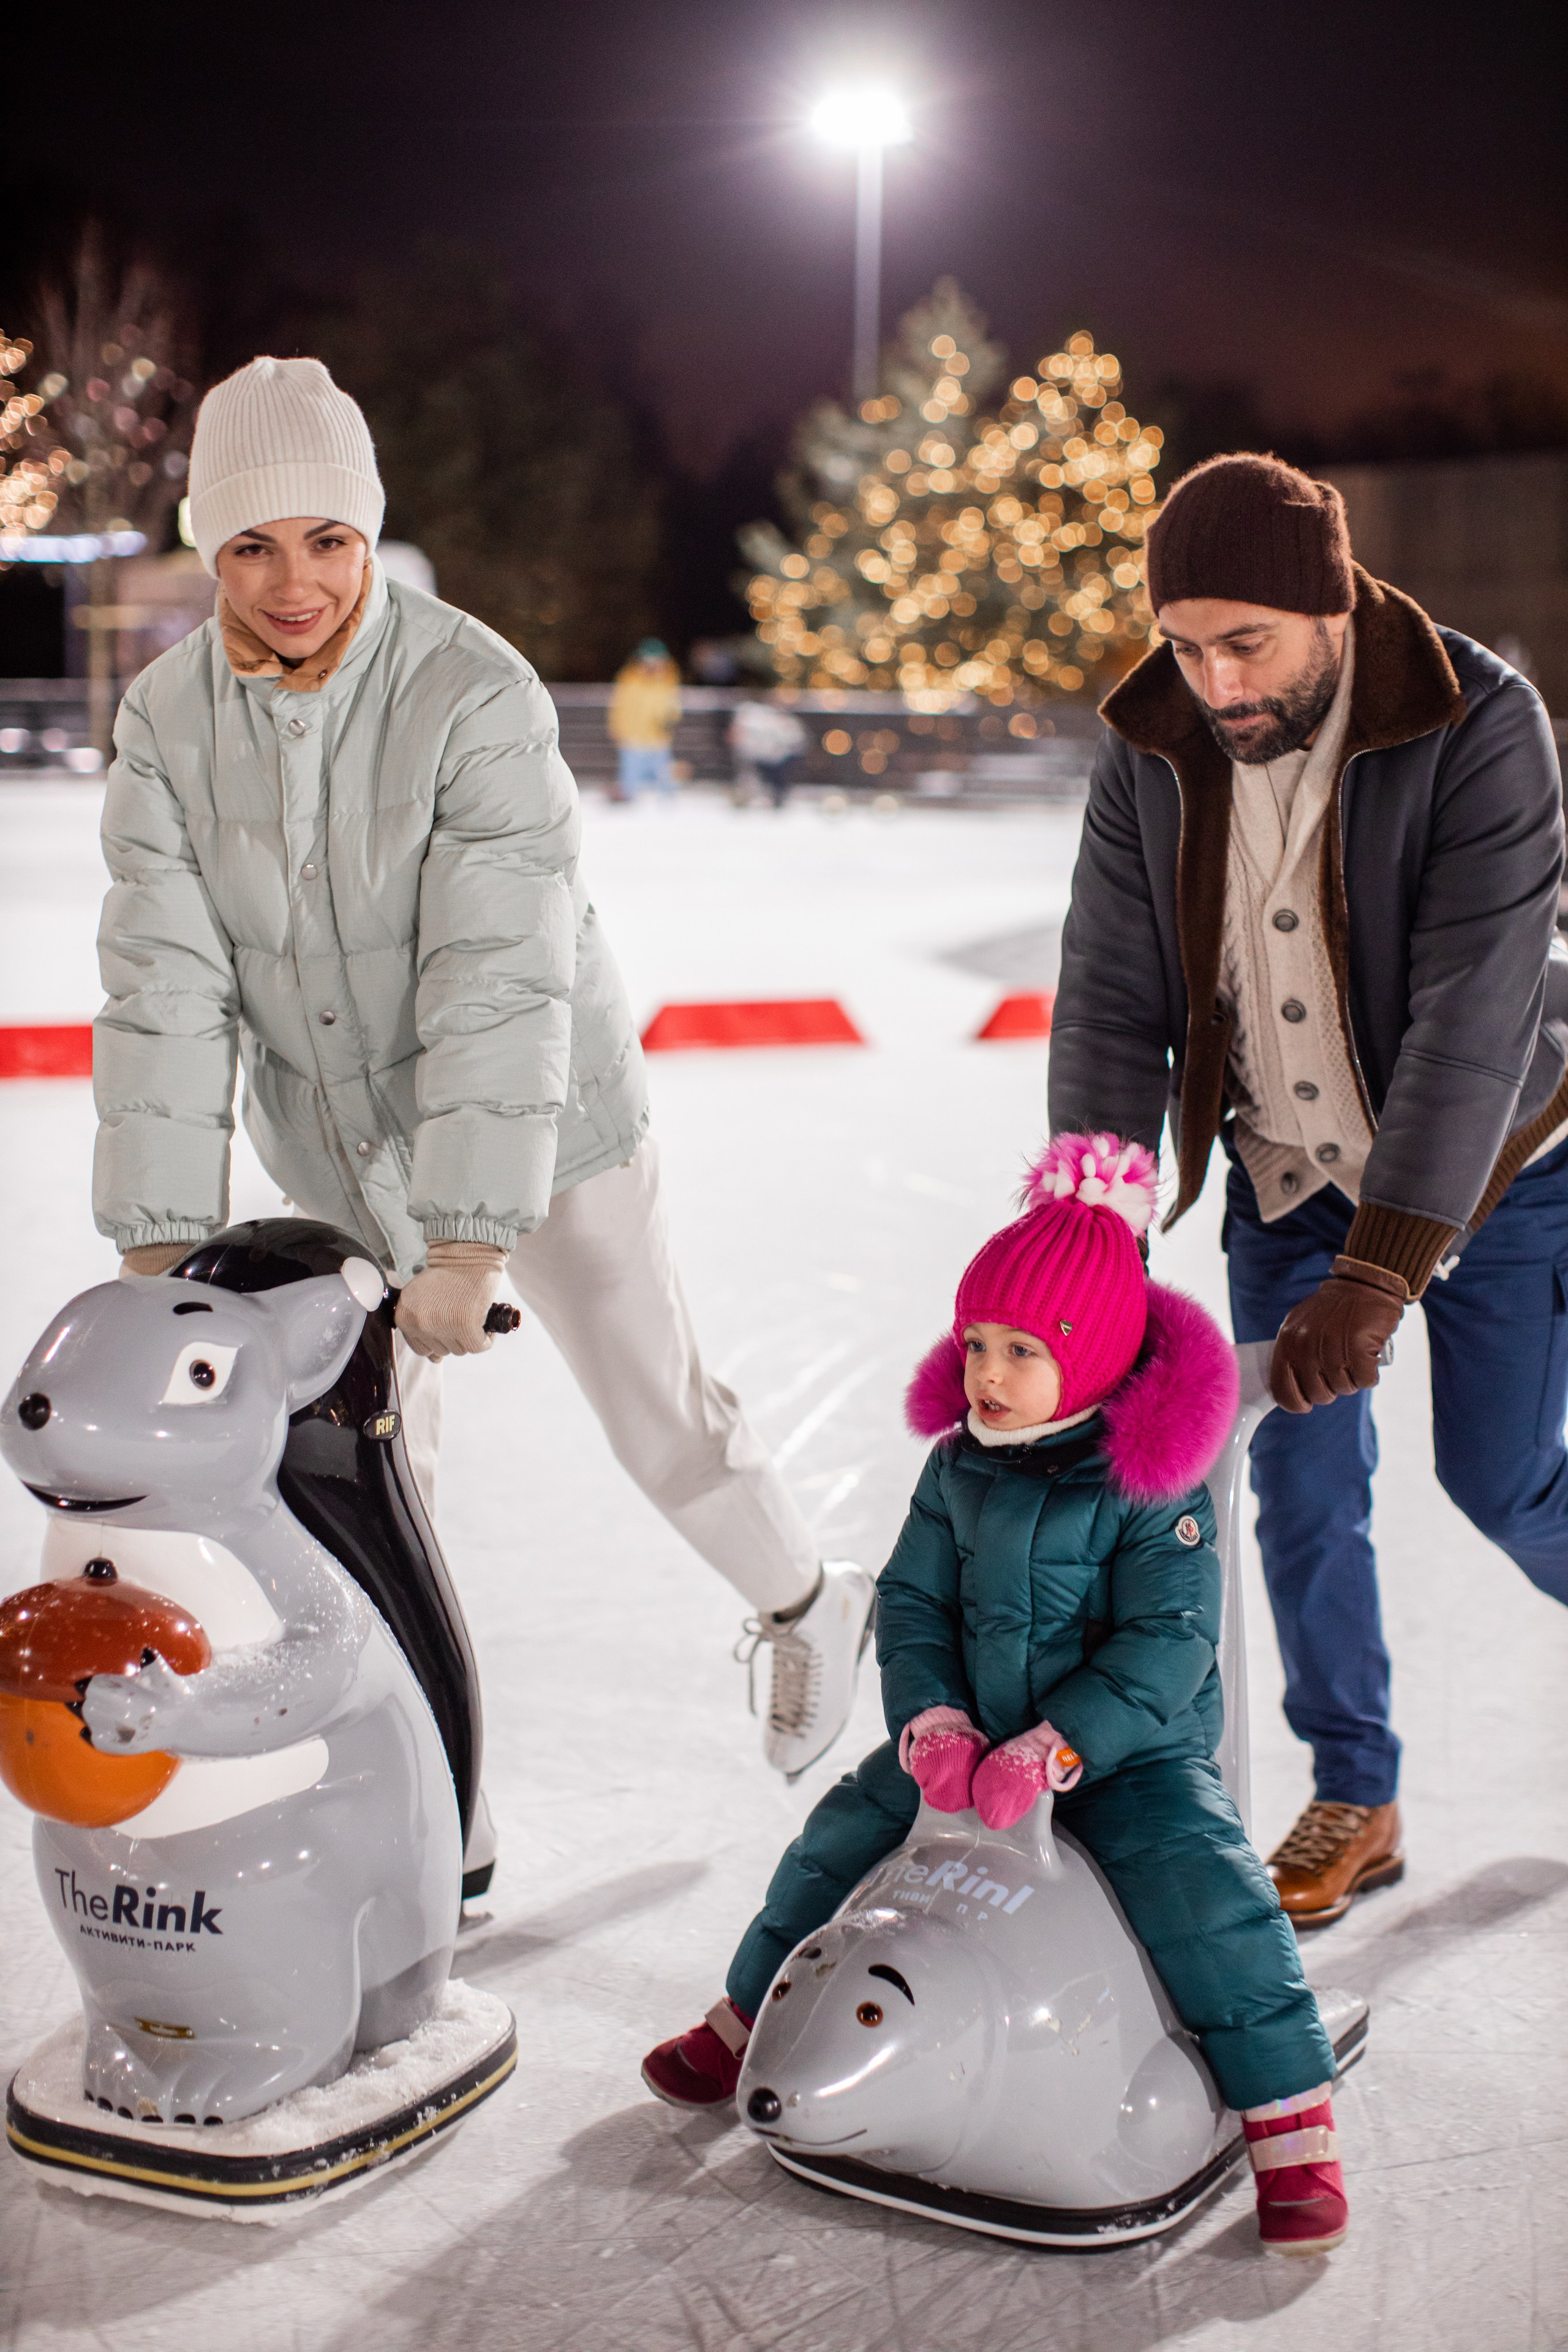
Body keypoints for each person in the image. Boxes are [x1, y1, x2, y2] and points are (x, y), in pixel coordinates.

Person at [91, 356, 875, 1785]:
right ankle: (428, 1797)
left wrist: (465, 1237)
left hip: (550, 1127)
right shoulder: (167, 718)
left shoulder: (472, 688)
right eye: (252, 546)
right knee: (378, 1481)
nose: (293, 582)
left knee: (655, 1412)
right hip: (337, 1147)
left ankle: (804, 1598)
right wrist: (159, 1244)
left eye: (327, 538)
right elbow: (166, 983)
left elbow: (499, 977)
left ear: (369, 528)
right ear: (209, 546)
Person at [642, 1137, 1348, 2258]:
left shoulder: (1147, 1483)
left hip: (1128, 1760)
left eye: (1023, 1351)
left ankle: (1290, 2125)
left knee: (1207, 1897)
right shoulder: (958, 1464)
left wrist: (1062, 1746)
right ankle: (743, 2019)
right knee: (834, 1841)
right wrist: (933, 1719)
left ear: (1095, 1358)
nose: (988, 1373)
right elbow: (914, 1601)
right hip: (965, 1747)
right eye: (977, 1343)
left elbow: (1171, 1643)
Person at [1048, 453, 1567, 1926]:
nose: (1213, 682)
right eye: (1183, 645)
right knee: (1294, 1491)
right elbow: (1110, 997)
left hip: (1493, 1169)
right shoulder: (1149, 745)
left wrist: (1382, 1266)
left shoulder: (1477, 721)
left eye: (1246, 643)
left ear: (1328, 607)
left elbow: (1472, 1016)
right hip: (1284, 1177)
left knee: (1500, 1480)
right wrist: (1084, 1239)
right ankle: (1354, 1786)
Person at [608, 638, 682, 799]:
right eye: (648, 661)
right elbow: (618, 709)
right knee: (630, 783)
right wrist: (617, 730)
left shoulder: (668, 681)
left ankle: (668, 808)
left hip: (658, 741)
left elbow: (674, 708)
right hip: (633, 740)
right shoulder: (628, 680)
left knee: (666, 784)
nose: (652, 666)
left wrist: (669, 719)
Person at [729, 688, 809, 807]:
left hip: (778, 758)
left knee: (774, 778)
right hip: (760, 756)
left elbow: (797, 740)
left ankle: (776, 796)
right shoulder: (755, 716)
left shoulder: (786, 722)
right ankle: (746, 796)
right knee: (752, 777)